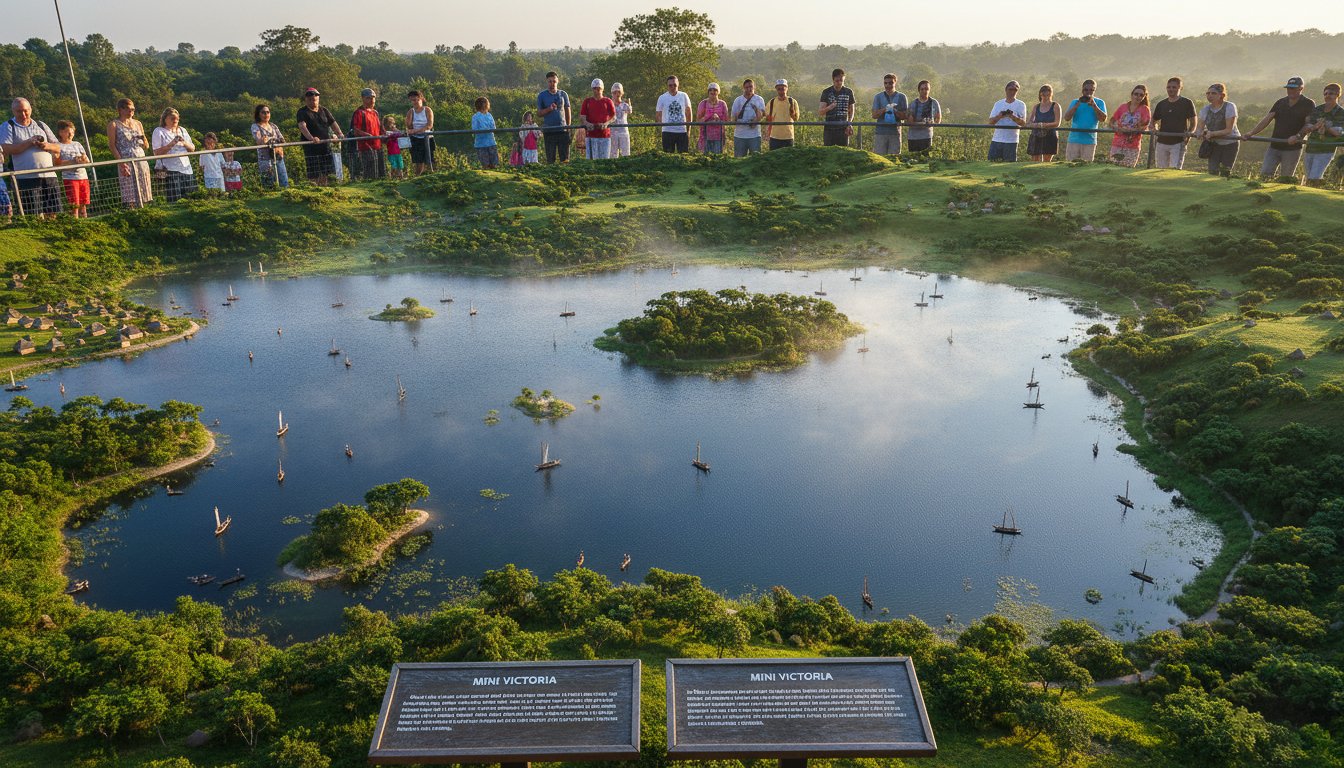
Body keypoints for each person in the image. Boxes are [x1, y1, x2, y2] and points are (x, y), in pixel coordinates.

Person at [1242, 76, 1316, 179]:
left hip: (1292, 148)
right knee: (1265, 175)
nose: (1290, 90)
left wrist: (1298, 136)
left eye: (1293, 88)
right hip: (1274, 146)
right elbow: (1267, 119)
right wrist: (1251, 133)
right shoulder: (1280, 102)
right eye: (1288, 88)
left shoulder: (1308, 103)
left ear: (1301, 88)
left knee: (1285, 178)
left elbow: (1308, 124)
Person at [0, 98, 61, 217]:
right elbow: (6, 149)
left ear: (31, 109)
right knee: (33, 214)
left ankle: (53, 233)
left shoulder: (41, 125)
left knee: (53, 212)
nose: (23, 114)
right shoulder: (8, 126)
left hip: (49, 175)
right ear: (13, 111)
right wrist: (29, 142)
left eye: (25, 111)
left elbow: (58, 147)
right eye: (19, 111)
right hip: (26, 177)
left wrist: (46, 145)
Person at [1292, 83, 1343, 188]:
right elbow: (1308, 126)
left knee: (1315, 176)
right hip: (1311, 147)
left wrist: (1326, 127)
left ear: (1338, 95)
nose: (1327, 96)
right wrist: (1315, 126)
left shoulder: (1341, 112)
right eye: (1325, 94)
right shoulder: (1318, 109)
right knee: (1308, 176)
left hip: (1326, 149)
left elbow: (1339, 133)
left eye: (1331, 94)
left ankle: (1311, 197)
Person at [107, 98, 152, 207]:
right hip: (126, 160)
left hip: (140, 158)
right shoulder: (114, 124)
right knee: (129, 190)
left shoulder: (138, 123)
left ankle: (145, 210)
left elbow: (146, 145)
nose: (131, 111)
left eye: (133, 109)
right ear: (120, 110)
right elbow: (112, 146)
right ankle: (131, 211)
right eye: (128, 109)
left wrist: (143, 139)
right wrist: (121, 163)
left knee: (143, 187)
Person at [296, 87, 343, 185]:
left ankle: (325, 189)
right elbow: (302, 126)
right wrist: (311, 138)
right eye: (310, 98)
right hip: (311, 147)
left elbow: (333, 123)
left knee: (327, 171)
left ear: (318, 98)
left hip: (325, 145)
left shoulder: (324, 110)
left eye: (315, 98)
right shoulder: (302, 112)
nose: (313, 100)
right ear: (306, 99)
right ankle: (315, 189)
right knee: (314, 172)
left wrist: (339, 133)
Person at [151, 108, 196, 202]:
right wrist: (172, 143)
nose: (175, 120)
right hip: (171, 169)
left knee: (190, 198)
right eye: (172, 118)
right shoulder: (159, 131)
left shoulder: (182, 130)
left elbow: (192, 149)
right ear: (165, 119)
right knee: (175, 200)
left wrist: (184, 142)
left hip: (187, 169)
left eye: (177, 118)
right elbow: (156, 153)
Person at [1151, 78, 1197, 169]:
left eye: (1174, 87)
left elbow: (1193, 121)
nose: (1171, 89)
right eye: (1169, 87)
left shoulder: (1187, 103)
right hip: (1161, 142)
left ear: (1180, 88)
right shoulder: (1162, 104)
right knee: (1160, 169)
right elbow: (1153, 120)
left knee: (1174, 169)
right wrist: (1155, 129)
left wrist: (1189, 134)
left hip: (1178, 142)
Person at [1195, 83, 1240, 176]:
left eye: (1213, 93)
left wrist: (1212, 134)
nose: (1210, 95)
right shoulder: (1205, 109)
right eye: (1208, 93)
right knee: (1212, 170)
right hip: (1214, 144)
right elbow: (1200, 127)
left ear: (1222, 95)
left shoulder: (1229, 107)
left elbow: (1229, 130)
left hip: (1230, 143)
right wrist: (1200, 133)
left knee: (1225, 171)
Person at [1062, 80, 1107, 161]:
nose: (1088, 92)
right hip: (1074, 139)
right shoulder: (1075, 102)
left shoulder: (1099, 102)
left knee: (1085, 166)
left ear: (1094, 91)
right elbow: (1066, 118)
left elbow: (1103, 119)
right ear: (1082, 90)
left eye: (1091, 90)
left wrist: (1094, 106)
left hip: (1090, 140)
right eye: (1086, 90)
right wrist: (1076, 106)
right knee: (1070, 164)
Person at [53, 120, 90, 217]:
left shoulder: (77, 144)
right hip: (70, 178)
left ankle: (86, 223)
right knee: (74, 205)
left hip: (83, 177)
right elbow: (57, 164)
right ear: (61, 132)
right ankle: (75, 223)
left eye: (72, 132)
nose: (71, 134)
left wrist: (82, 159)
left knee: (83, 203)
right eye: (68, 132)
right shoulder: (58, 146)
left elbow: (87, 160)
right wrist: (73, 161)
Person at [1108, 85, 1150, 167]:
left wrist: (1134, 130)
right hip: (1117, 143)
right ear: (1132, 94)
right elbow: (1111, 121)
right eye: (1136, 94)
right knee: (1113, 167)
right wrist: (1116, 128)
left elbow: (1146, 125)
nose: (1138, 97)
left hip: (1133, 145)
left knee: (1127, 168)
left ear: (1144, 97)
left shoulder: (1145, 109)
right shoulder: (1123, 107)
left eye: (1141, 95)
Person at [351, 88, 385, 180]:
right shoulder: (359, 112)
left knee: (381, 172)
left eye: (373, 98)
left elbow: (380, 128)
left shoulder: (375, 112)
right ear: (363, 98)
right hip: (366, 147)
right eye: (369, 98)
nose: (372, 100)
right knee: (370, 173)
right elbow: (355, 130)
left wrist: (385, 134)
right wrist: (366, 135)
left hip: (378, 146)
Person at [988, 81, 1027, 162]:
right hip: (997, 139)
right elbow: (990, 122)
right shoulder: (998, 104)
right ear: (1006, 90)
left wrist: (1012, 116)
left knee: (1009, 164)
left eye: (1015, 90)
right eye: (1010, 89)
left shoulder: (1021, 104)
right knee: (991, 162)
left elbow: (1023, 123)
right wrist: (1000, 116)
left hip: (1011, 140)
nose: (1012, 92)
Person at [871, 73, 908, 156]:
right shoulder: (878, 97)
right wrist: (884, 109)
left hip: (895, 133)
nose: (888, 85)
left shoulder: (902, 97)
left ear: (895, 83)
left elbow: (905, 116)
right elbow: (874, 115)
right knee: (879, 158)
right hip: (880, 133)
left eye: (890, 83)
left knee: (894, 158)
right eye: (886, 83)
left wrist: (895, 111)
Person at [251, 104, 288, 188]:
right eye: (263, 112)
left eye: (268, 112)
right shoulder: (255, 126)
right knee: (268, 184)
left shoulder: (273, 126)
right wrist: (273, 140)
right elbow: (260, 141)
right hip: (265, 160)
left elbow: (282, 140)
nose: (266, 114)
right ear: (258, 114)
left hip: (278, 157)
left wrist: (268, 139)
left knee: (284, 182)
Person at [538, 72, 571, 163]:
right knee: (550, 159)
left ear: (557, 81)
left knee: (565, 159)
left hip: (563, 131)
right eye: (550, 81)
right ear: (547, 82)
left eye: (554, 81)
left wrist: (568, 127)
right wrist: (549, 109)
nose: (552, 84)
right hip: (549, 131)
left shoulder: (563, 94)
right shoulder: (542, 95)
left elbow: (568, 111)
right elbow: (539, 113)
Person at [819, 68, 856, 147]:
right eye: (837, 81)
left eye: (841, 80)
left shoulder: (848, 92)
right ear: (833, 80)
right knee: (828, 153)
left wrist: (849, 123)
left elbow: (852, 110)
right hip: (829, 129)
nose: (839, 83)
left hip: (843, 128)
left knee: (843, 153)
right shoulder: (826, 92)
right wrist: (829, 107)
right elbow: (821, 112)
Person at [656, 76, 693, 153]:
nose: (673, 87)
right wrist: (662, 129)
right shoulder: (662, 98)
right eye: (670, 85)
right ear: (667, 86)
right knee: (668, 156)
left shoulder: (684, 95)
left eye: (675, 85)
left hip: (682, 131)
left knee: (684, 156)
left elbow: (689, 112)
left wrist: (688, 129)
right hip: (667, 131)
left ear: (678, 84)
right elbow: (658, 114)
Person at [581, 79, 616, 160]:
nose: (597, 90)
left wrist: (606, 123)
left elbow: (613, 116)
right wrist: (587, 124)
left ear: (602, 89)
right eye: (595, 88)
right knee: (591, 160)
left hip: (605, 136)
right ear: (592, 89)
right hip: (591, 135)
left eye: (599, 88)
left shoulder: (608, 101)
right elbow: (582, 117)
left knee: (604, 160)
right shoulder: (587, 101)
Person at [730, 79, 766, 157]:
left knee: (756, 159)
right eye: (746, 87)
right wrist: (738, 114)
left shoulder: (759, 99)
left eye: (751, 87)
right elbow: (732, 119)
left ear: (754, 87)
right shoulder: (738, 100)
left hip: (755, 135)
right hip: (740, 135)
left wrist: (756, 119)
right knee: (739, 160)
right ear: (743, 88)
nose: (749, 89)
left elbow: (763, 115)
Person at [1026, 85, 1060, 162]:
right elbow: (1029, 122)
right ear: (1040, 95)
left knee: (1046, 161)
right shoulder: (1036, 107)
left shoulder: (1055, 106)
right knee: (1035, 160)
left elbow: (1057, 123)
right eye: (1043, 95)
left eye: (1048, 95)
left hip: (1050, 135)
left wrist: (1042, 125)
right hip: (1036, 135)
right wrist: (1033, 124)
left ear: (1051, 95)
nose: (1046, 97)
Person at [405, 90, 435, 175]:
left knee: (429, 160)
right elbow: (409, 126)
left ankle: (431, 176)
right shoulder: (410, 111)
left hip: (427, 138)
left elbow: (429, 125)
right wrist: (409, 122)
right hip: (416, 139)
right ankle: (417, 179)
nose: (414, 102)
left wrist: (416, 131)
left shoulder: (427, 110)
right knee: (418, 161)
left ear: (421, 99)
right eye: (412, 100)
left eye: (415, 100)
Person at [907, 80, 941, 154]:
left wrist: (933, 123)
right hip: (913, 137)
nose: (924, 91)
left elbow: (938, 118)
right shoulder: (913, 104)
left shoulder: (934, 103)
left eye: (926, 89)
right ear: (919, 90)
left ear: (929, 90)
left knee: (925, 160)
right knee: (913, 160)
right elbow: (910, 121)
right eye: (922, 89)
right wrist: (919, 123)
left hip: (926, 136)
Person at [764, 79, 799, 150]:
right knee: (774, 158)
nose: (781, 91)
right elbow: (768, 118)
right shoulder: (772, 102)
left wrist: (792, 112)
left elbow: (796, 118)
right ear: (776, 89)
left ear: (787, 88)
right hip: (774, 136)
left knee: (788, 158)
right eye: (779, 89)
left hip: (788, 136)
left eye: (783, 88)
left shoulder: (792, 101)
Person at [697, 83, 729, 154]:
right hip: (705, 136)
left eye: (715, 90)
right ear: (708, 92)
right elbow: (698, 120)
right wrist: (708, 116)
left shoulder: (722, 104)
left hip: (719, 136)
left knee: (717, 158)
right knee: (706, 158)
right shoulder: (703, 103)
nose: (712, 92)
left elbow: (727, 120)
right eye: (710, 90)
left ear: (718, 92)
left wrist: (718, 119)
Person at [472, 97, 498, 169]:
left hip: (491, 142)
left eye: (485, 102)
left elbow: (493, 127)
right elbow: (475, 129)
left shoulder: (489, 115)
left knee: (494, 164)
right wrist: (484, 129)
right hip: (481, 144)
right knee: (485, 165)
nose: (484, 105)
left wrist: (490, 129)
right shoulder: (475, 116)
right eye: (482, 103)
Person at [610, 84, 633, 157]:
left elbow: (630, 111)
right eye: (614, 92)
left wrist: (629, 105)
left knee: (625, 153)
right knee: (613, 154)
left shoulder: (625, 105)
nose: (617, 94)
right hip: (612, 132)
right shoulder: (609, 105)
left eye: (619, 92)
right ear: (612, 93)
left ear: (622, 93)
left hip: (623, 132)